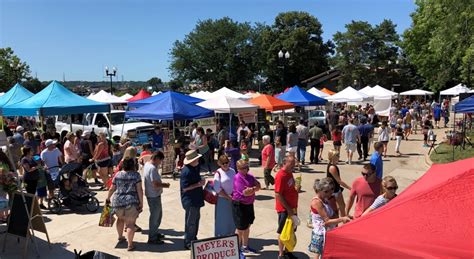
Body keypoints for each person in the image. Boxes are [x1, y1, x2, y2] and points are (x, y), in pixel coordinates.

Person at [106, 157, 143, 251]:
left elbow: (112, 188)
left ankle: (120, 237)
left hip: (117, 201)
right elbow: (139, 190)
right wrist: (141, 202)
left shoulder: (117, 174)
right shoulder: (136, 175)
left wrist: (108, 198)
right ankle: (130, 245)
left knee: (120, 219)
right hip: (131, 201)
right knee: (130, 224)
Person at [308, 178, 351, 258]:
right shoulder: (317, 202)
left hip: (327, 231)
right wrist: (342, 219)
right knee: (324, 254)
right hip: (321, 234)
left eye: (331, 190)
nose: (330, 193)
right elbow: (327, 221)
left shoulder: (324, 199)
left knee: (321, 254)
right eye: (326, 191)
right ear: (320, 190)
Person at [232, 159, 261, 256]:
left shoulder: (250, 176)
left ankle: (245, 246)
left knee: (247, 226)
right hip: (240, 205)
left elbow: (258, 185)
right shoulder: (237, 178)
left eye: (247, 167)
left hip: (249, 204)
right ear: (238, 169)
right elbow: (245, 193)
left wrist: (252, 189)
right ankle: (236, 249)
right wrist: (253, 189)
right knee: (240, 229)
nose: (246, 169)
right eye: (243, 168)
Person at [180, 150, 205, 250]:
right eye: (196, 158)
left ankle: (193, 238)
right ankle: (188, 242)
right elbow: (185, 188)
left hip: (196, 198)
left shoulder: (195, 167)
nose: (198, 159)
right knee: (191, 222)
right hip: (190, 200)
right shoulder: (186, 172)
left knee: (195, 219)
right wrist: (198, 184)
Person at [143, 151, 170, 244]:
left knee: (158, 215)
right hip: (153, 195)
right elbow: (155, 184)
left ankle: (154, 232)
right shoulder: (153, 169)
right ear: (157, 159)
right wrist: (165, 185)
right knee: (155, 216)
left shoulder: (147, 164)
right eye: (160, 160)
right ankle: (152, 237)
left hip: (151, 195)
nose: (161, 163)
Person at [275, 156, 299, 259]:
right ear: (285, 163)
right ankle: (281, 254)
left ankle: (288, 251)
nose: (294, 165)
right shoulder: (280, 176)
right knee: (283, 231)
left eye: (294, 163)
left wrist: (296, 188)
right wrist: (288, 209)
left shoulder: (289, 173)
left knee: (291, 230)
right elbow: (278, 194)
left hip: (292, 207)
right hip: (284, 209)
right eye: (292, 163)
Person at [213, 155, 236, 237]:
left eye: (226, 162)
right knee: (222, 220)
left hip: (233, 199)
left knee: (231, 219)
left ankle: (231, 236)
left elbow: (236, 183)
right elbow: (217, 188)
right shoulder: (218, 173)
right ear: (219, 163)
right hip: (222, 200)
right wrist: (227, 197)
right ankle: (221, 237)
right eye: (223, 163)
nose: (225, 164)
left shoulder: (233, 171)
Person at [326, 150, 351, 217]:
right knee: (338, 207)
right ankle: (344, 219)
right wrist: (350, 188)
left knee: (341, 206)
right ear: (333, 157)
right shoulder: (332, 167)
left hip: (336, 188)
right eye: (337, 155)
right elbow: (339, 181)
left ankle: (344, 216)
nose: (339, 157)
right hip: (334, 190)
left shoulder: (333, 165)